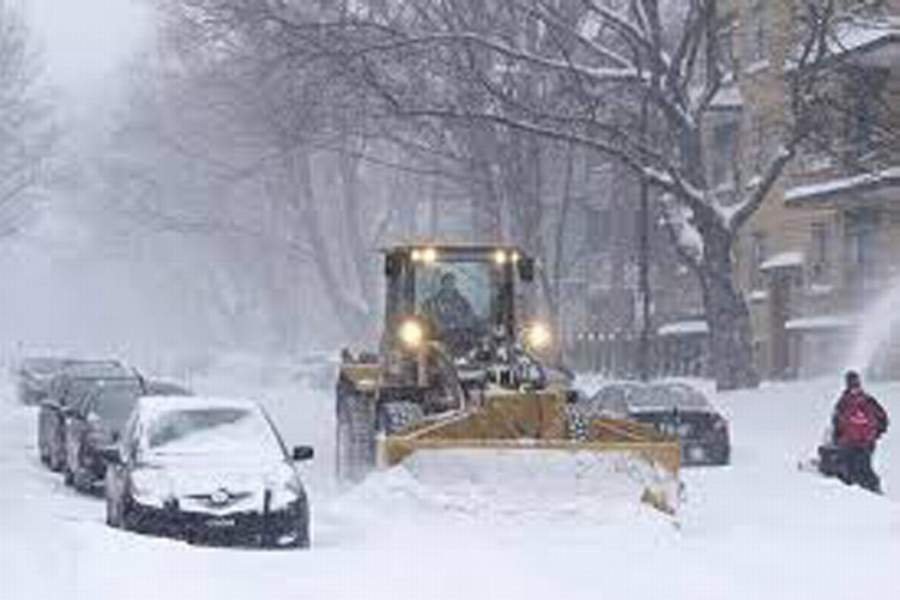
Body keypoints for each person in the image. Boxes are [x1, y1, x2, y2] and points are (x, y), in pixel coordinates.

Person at [830, 371, 889, 493]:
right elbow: (883, 419)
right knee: (860, 466)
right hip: (860, 442)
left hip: (855, 442)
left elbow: (836, 421)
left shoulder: (846, 401)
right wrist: (876, 434)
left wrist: (837, 437)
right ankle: (867, 489)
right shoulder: (866, 400)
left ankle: (864, 491)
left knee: (856, 467)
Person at [422, 272, 480, 351]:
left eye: (451, 283)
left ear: (454, 284)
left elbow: (470, 317)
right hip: (437, 341)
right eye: (447, 283)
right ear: (442, 284)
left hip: (461, 341)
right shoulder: (432, 303)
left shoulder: (463, 302)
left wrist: (462, 325)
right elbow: (425, 318)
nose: (449, 285)